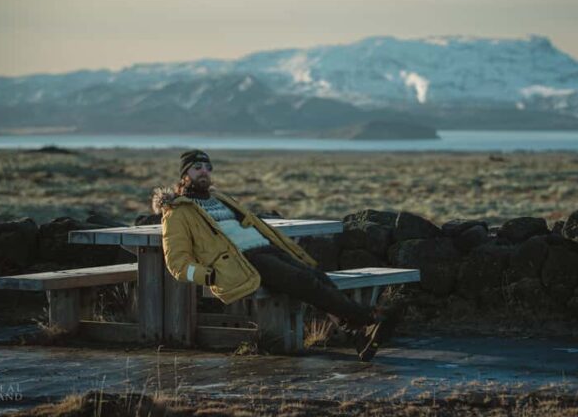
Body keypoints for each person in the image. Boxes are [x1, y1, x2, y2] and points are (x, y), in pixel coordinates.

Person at [152, 149, 398, 361]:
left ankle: (356, 334)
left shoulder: (220, 199)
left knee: (317, 276)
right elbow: (176, 262)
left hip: (267, 248)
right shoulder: (177, 212)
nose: (204, 171)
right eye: (197, 167)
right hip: (244, 262)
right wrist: (209, 275)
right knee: (306, 283)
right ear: (184, 174)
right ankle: (369, 318)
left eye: (207, 167)